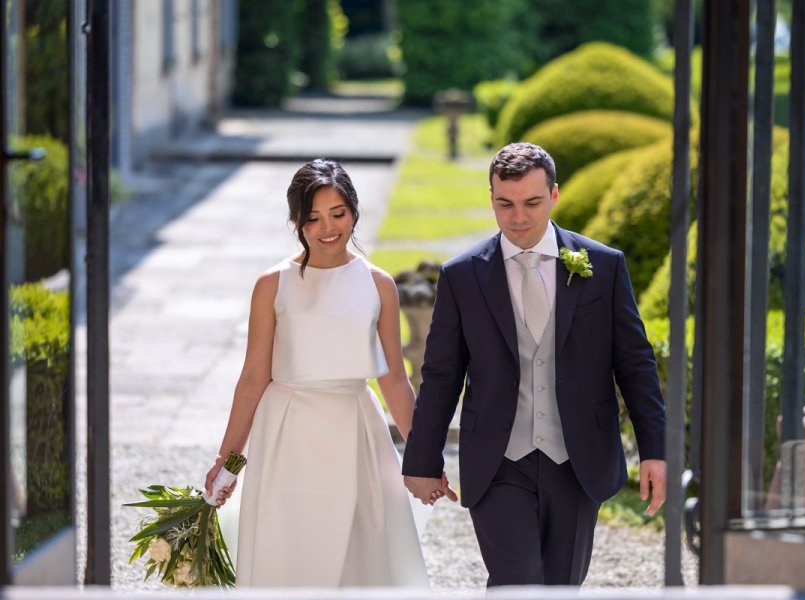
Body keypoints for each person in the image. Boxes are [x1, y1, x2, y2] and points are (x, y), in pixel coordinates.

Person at [402, 142, 667, 586]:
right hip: (498, 459)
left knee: (563, 585)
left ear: (555, 195)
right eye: (504, 204)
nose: (518, 217)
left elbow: (635, 365)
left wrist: (655, 451)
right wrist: (422, 459)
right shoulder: (462, 276)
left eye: (532, 203)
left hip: (578, 455)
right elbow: (442, 375)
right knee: (515, 582)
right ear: (490, 198)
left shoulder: (603, 266)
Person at [205, 159, 453, 587]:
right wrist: (228, 463)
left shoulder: (379, 285)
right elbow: (252, 379)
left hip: (355, 430)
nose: (327, 228)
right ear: (296, 221)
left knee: (361, 560)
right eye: (312, 218)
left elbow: (393, 379)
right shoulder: (272, 285)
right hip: (285, 433)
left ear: (354, 212)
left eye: (338, 214)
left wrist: (425, 456)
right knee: (288, 555)